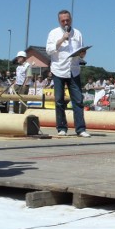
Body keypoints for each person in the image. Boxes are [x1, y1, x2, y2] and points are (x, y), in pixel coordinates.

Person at [45, 9, 90, 137]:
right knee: (59, 100)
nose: (65, 22)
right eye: (63, 20)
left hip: (74, 70)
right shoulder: (53, 33)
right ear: (59, 21)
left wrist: (82, 53)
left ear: (71, 19)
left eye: (67, 20)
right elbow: (49, 50)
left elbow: (80, 52)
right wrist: (61, 40)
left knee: (78, 100)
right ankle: (62, 128)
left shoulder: (78, 33)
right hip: (58, 69)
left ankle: (80, 129)